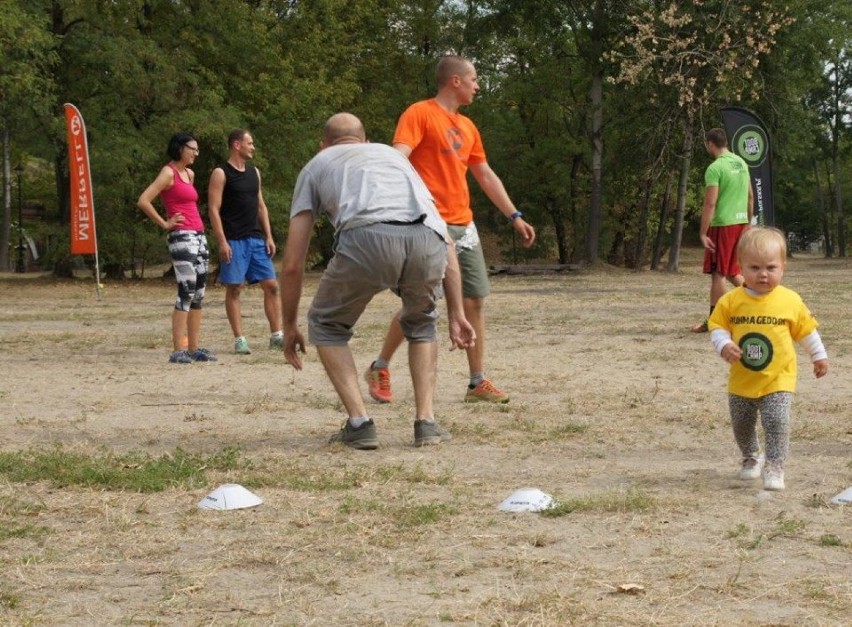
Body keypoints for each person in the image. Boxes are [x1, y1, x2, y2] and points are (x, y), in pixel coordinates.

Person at [280, 113, 476, 450]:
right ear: (366, 140)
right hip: (426, 237)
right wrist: (458, 312)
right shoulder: (393, 157)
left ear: (324, 144)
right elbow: (445, 237)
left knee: (327, 325)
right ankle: (426, 422)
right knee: (422, 324)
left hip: (366, 235)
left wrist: (288, 324)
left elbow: (294, 263)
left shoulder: (317, 164)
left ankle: (359, 424)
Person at [366, 54, 536, 405]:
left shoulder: (469, 127)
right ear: (455, 81)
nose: (478, 85)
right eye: (473, 79)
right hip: (427, 225)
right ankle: (380, 366)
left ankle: (477, 382)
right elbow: (399, 158)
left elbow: (485, 175)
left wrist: (514, 215)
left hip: (463, 225)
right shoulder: (419, 113)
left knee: (474, 300)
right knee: (420, 304)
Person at [707, 227, 828, 491]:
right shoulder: (731, 301)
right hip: (742, 381)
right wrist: (724, 344)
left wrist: (819, 356)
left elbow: (807, 331)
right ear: (740, 267)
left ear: (783, 267)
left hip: (778, 378)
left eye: (771, 267)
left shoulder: (790, 300)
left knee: (777, 421)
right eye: (754, 267)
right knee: (741, 425)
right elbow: (717, 327)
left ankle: (775, 465)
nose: (763, 274)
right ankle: (751, 456)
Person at [137, 132, 217, 364]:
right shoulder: (168, 172)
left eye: (197, 150)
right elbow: (144, 200)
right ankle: (177, 349)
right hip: (182, 237)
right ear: (180, 148)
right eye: (193, 149)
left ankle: (193, 348)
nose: (196, 153)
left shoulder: (189, 174)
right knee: (187, 289)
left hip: (199, 235)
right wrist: (165, 223)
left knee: (199, 292)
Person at [208, 129, 283, 354]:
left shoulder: (254, 173)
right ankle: (240, 339)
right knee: (235, 288)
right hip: (234, 240)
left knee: (271, 285)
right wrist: (222, 241)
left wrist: (268, 236)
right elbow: (213, 208)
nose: (253, 147)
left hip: (256, 239)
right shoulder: (221, 173)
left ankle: (277, 335)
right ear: (236, 145)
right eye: (249, 143)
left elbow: (261, 206)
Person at [692, 127, 754, 333]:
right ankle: (762, 301)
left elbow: (710, 203)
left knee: (718, 273)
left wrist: (702, 232)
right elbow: (750, 196)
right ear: (725, 142)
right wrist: (747, 222)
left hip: (722, 225)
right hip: (740, 223)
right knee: (733, 272)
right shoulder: (742, 163)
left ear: (710, 144)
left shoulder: (715, 168)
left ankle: (715, 321)